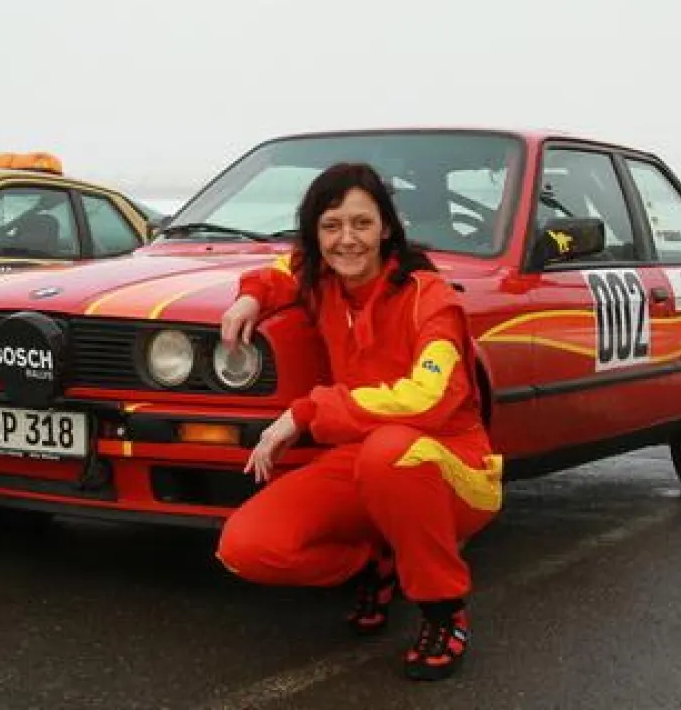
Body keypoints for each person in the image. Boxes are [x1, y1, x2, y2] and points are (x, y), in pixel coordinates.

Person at [215, 162, 502, 681]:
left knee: (390, 450)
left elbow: (429, 398)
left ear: (386, 228)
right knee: (246, 548)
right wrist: (251, 294)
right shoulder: (320, 280)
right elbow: (282, 270)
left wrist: (306, 412)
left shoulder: (429, 296)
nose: (347, 239)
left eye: (361, 224)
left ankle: (443, 610)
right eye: (331, 226)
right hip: (363, 459)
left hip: (452, 466)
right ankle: (372, 561)